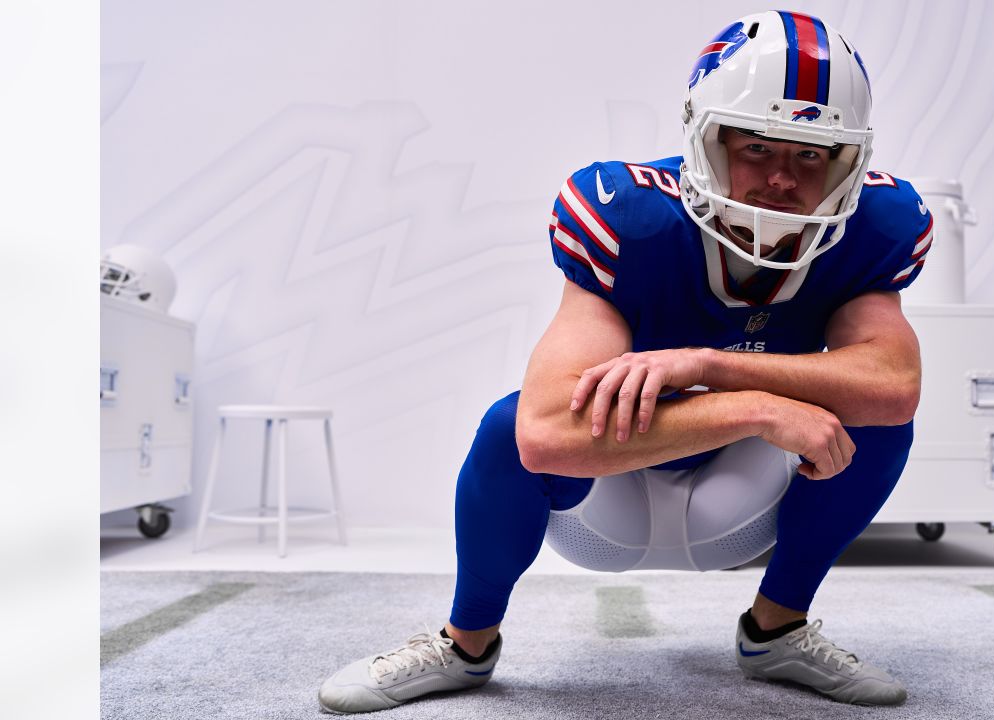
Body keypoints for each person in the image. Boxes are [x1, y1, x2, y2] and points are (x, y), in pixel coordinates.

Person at [319, 9, 933, 713]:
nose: (782, 181)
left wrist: (712, 363)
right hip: (610, 491)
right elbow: (546, 435)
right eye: (758, 148)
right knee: (507, 425)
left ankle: (777, 629)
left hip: (741, 493)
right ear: (707, 137)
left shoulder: (876, 226)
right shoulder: (629, 215)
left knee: (878, 417)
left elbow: (893, 388)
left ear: (845, 162)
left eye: (808, 155)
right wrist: (759, 405)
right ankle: (466, 644)